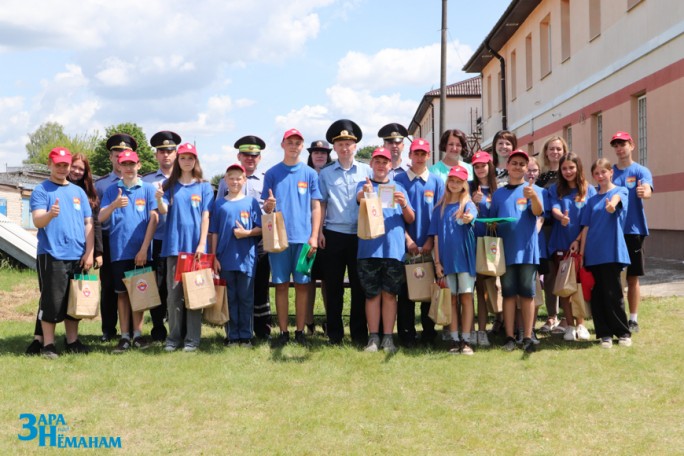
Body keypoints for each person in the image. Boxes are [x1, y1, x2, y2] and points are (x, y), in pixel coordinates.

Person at [26, 153, 103, 354]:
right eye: (58, 164)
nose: (62, 169)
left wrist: (89, 252)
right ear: (49, 164)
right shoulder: (41, 190)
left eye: (66, 165)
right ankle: (48, 344)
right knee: (52, 301)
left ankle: (72, 342)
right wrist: (50, 214)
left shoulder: (78, 192)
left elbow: (89, 223)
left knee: (73, 300)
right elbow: (37, 221)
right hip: (52, 254)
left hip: (77, 254)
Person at [262, 128, 322, 348]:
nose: (294, 146)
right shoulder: (272, 173)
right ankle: (284, 332)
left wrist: (314, 236)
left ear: (301, 146)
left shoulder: (310, 174)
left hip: (304, 238)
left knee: (303, 285)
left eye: (298, 143)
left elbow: (316, 207)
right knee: (280, 284)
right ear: (282, 144)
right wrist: (268, 206)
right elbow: (266, 208)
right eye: (290, 142)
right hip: (279, 239)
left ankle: (299, 331)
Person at [156, 143, 214, 352]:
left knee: (195, 295)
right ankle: (173, 338)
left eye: (191, 158)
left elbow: (206, 216)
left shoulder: (204, 187)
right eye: (183, 158)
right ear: (178, 160)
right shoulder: (169, 185)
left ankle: (192, 340)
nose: (187, 161)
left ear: (195, 161)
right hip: (174, 248)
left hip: (195, 251)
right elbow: (163, 209)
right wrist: (158, 199)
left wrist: (201, 244)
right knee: (173, 296)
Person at [318, 120, 372, 346]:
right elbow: (321, 203)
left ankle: (359, 334)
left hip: (360, 235)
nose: (345, 147)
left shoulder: (366, 170)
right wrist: (319, 231)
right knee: (333, 288)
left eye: (348, 143)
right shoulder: (326, 173)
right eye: (340, 144)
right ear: (334, 147)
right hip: (333, 234)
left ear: (356, 146)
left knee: (360, 287)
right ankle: (335, 334)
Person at [356, 147, 415, 353]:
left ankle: (388, 337)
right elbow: (358, 199)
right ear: (371, 164)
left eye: (385, 162)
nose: (381, 166)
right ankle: (373, 338)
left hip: (393, 250)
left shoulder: (398, 186)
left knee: (390, 295)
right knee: (372, 295)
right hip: (369, 249)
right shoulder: (364, 185)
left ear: (391, 166)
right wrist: (366, 192)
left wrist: (404, 204)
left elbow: (410, 218)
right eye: (377, 162)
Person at [99, 150, 158, 353]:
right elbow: (100, 217)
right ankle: (124, 336)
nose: (129, 168)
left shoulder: (148, 189)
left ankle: (138, 335)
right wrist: (114, 204)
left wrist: (144, 249)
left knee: (140, 292)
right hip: (119, 251)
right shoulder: (112, 190)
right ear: (119, 166)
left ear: (139, 165)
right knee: (122, 295)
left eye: (132, 164)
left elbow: (154, 219)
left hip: (141, 252)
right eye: (125, 164)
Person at [218, 135, 273, 340]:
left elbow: (269, 211)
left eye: (254, 155)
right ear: (239, 156)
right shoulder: (229, 179)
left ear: (259, 158)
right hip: (232, 244)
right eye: (246, 155)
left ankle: (262, 328)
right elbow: (220, 209)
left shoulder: (266, 178)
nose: (250, 158)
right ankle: (235, 331)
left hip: (258, 240)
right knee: (235, 290)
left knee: (258, 287)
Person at [489, 150, 544, 353]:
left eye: (522, 164)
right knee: (509, 294)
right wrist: (493, 224)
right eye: (514, 163)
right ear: (507, 166)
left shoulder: (533, 189)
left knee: (528, 295)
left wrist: (534, 198)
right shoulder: (499, 194)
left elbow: (538, 212)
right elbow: (492, 221)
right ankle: (510, 336)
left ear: (526, 168)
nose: (518, 167)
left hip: (527, 251)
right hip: (505, 252)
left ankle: (528, 336)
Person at [394, 138, 444, 347]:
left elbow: (440, 215)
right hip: (406, 246)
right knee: (405, 293)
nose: (420, 157)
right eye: (416, 153)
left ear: (428, 156)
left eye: (423, 154)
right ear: (410, 155)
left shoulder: (437, 181)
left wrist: (431, 242)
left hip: (429, 245)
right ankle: (406, 334)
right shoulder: (398, 181)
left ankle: (429, 333)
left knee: (428, 290)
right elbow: (395, 215)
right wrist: (408, 240)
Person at [579, 158, 632, 348]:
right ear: (593, 176)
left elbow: (616, 202)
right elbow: (586, 227)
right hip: (593, 253)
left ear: (611, 172)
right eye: (597, 173)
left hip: (612, 251)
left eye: (604, 172)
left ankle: (623, 332)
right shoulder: (591, 200)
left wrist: (611, 206)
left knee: (613, 293)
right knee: (598, 294)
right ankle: (604, 334)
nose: (600, 176)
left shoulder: (620, 191)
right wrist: (582, 253)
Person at [210, 163, 262, 347]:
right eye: (231, 178)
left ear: (244, 180)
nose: (235, 181)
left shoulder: (251, 202)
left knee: (246, 298)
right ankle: (232, 336)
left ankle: (246, 335)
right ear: (225, 180)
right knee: (229, 298)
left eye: (238, 178)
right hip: (224, 259)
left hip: (246, 258)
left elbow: (260, 229)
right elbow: (214, 232)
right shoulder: (219, 204)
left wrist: (247, 233)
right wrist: (214, 256)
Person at [548, 152, 596, 341]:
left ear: (578, 168)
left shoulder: (588, 190)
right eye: (564, 168)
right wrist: (561, 217)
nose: (568, 172)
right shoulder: (555, 190)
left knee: (578, 286)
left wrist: (577, 240)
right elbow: (554, 209)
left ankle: (581, 324)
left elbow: (589, 220)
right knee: (565, 287)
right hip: (561, 245)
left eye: (571, 167)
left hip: (581, 246)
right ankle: (568, 325)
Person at [429, 165, 477, 355]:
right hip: (446, 262)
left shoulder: (468, 204)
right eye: (452, 181)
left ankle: (466, 339)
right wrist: (437, 263)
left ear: (464, 184)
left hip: (465, 260)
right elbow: (436, 238)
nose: (455, 184)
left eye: (459, 181)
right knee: (451, 299)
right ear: (447, 182)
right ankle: (455, 338)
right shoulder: (439, 209)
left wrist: (468, 218)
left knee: (466, 297)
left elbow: (472, 216)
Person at [95, 133, 137, 341]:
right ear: (111, 157)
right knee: (110, 286)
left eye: (125, 152)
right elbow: (96, 218)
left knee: (136, 285)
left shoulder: (141, 182)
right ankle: (108, 330)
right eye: (117, 153)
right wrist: (98, 249)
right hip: (109, 241)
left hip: (133, 241)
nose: (121, 156)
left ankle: (130, 331)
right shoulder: (102, 185)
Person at [610, 131, 653, 333]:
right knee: (613, 277)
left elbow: (648, 189)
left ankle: (633, 319)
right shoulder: (609, 172)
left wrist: (645, 192)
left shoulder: (640, 170)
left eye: (623, 144)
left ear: (632, 145)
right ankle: (615, 317)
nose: (619, 148)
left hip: (634, 231)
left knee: (633, 277)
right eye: (616, 145)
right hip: (612, 232)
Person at [142, 130, 181, 342]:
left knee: (177, 286)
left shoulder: (184, 178)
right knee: (157, 286)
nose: (166, 155)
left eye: (170, 151)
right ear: (156, 155)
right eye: (161, 151)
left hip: (180, 241)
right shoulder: (147, 181)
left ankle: (179, 326)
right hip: (157, 240)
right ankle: (158, 327)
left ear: (176, 153)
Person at [535, 137, 569, 334]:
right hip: (547, 229)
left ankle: (568, 316)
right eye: (551, 149)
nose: (555, 152)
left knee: (566, 271)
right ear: (546, 152)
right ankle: (551, 315)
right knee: (549, 274)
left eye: (559, 148)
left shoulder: (570, 173)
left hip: (565, 229)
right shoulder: (541, 178)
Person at [469, 151, 498, 346]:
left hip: (491, 244)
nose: (480, 169)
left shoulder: (498, 189)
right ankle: (470, 330)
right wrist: (473, 201)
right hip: (471, 242)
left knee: (486, 289)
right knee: (470, 289)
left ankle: (482, 330)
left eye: (483, 165)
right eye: (476, 166)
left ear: (490, 165)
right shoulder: (469, 187)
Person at [305, 140, 332, 335]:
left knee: (328, 281)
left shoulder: (332, 174)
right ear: (311, 155)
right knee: (308, 279)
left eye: (323, 152)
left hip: (330, 232)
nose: (320, 155)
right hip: (308, 233)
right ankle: (308, 322)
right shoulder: (305, 175)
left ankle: (330, 320)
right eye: (316, 152)